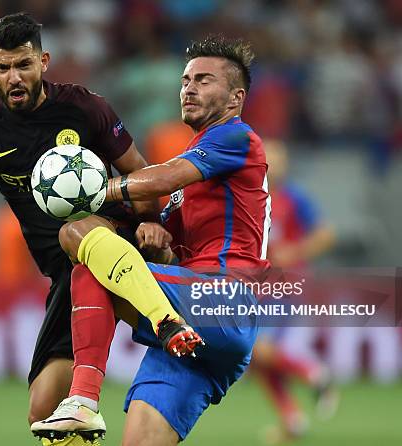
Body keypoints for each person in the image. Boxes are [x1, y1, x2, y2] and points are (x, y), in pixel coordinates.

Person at [0, 13, 199, 446]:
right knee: (42, 412)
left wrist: (149, 222)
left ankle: (167, 315)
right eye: (3, 68)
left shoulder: (84, 107)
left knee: (81, 228)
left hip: (116, 243)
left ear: (44, 62)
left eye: (24, 65)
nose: (14, 77)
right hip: (66, 272)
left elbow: (141, 175)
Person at [31, 35, 271, 445]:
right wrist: (158, 241)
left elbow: (161, 177)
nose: (189, 87)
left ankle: (83, 399)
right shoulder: (196, 174)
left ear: (235, 98)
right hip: (196, 334)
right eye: (185, 79)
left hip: (222, 299)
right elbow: (169, 249)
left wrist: (92, 191)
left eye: (204, 79)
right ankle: (163, 328)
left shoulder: (236, 137)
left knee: (81, 238)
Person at [251, 139, 338, 444]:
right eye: (268, 158)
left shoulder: (295, 198)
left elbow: (327, 235)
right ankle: (292, 420)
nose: (273, 164)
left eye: (278, 158)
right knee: (255, 356)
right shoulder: (252, 196)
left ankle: (314, 374)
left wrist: (295, 250)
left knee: (258, 350)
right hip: (257, 285)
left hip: (285, 284)